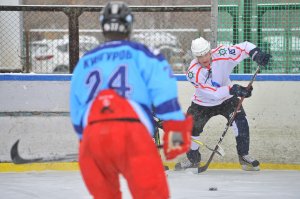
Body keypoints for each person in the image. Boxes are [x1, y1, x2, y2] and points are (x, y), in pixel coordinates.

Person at [69, 2, 192, 199]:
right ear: (129, 26)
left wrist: (90, 144)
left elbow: (77, 115)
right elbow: (165, 99)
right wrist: (176, 136)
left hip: (94, 138)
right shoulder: (145, 54)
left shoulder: (85, 61)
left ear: (103, 27)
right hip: (133, 135)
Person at [175, 37, 271, 171]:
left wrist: (256, 53)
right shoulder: (192, 72)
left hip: (227, 99)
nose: (203, 58)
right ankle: (193, 160)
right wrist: (234, 89)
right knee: (191, 129)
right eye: (199, 56)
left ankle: (244, 156)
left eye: (205, 54)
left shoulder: (222, 53)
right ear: (195, 56)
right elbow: (211, 93)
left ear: (210, 50)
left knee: (241, 121)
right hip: (202, 103)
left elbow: (244, 46)